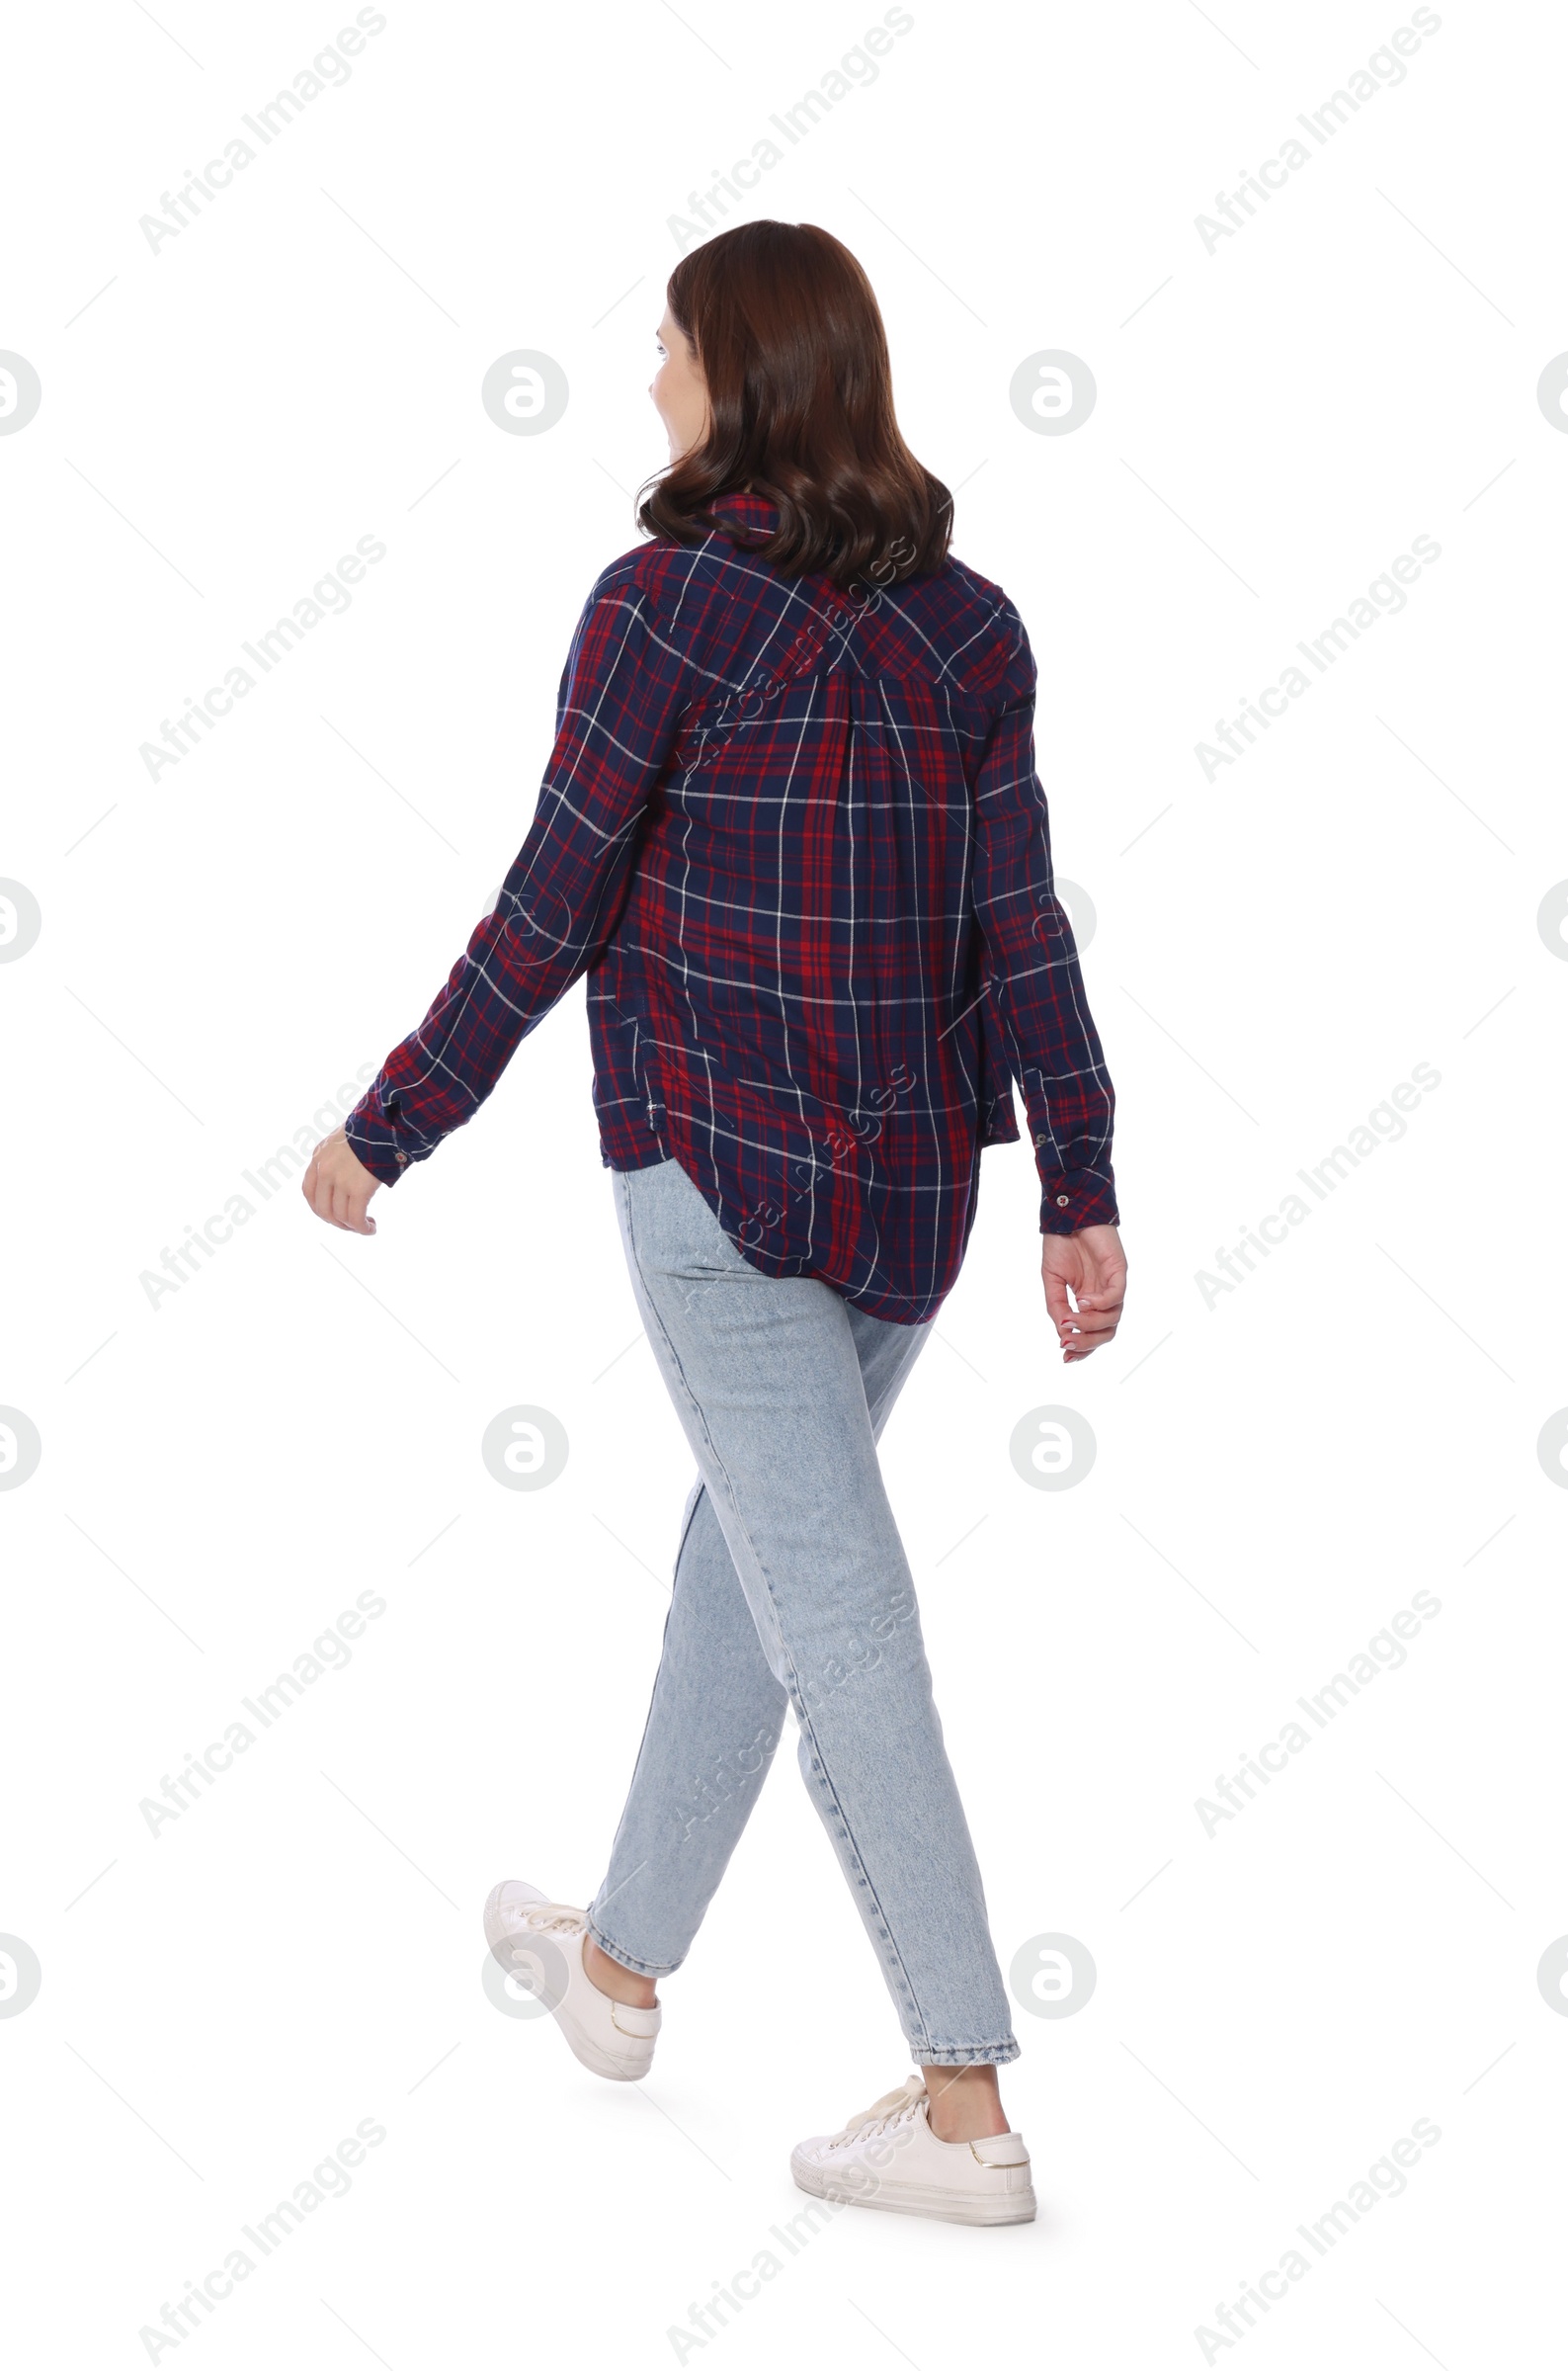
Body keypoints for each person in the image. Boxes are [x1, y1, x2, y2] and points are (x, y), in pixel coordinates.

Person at [302, 218, 1125, 2226]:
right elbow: (1016, 929)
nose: (650, 377)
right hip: (911, 1194)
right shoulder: (969, 626)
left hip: (712, 1188)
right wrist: (1073, 1189)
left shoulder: (662, 605)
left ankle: (960, 2113)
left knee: (829, 1615)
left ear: (745, 377)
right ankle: (612, 1977)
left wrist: (382, 1131)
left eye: (671, 347)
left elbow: (553, 900)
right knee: (746, 1583)